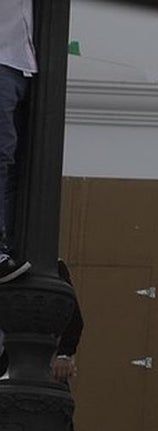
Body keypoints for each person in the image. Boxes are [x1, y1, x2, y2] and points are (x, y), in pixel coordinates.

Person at [0, 261, 141, 431]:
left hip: (40, 362)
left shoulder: (49, 266)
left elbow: (72, 316)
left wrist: (64, 353)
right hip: (11, 361)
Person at [0, 0, 35, 284]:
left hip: (24, 63)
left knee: (13, 166)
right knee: (2, 156)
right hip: (3, 60)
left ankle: (10, 245)